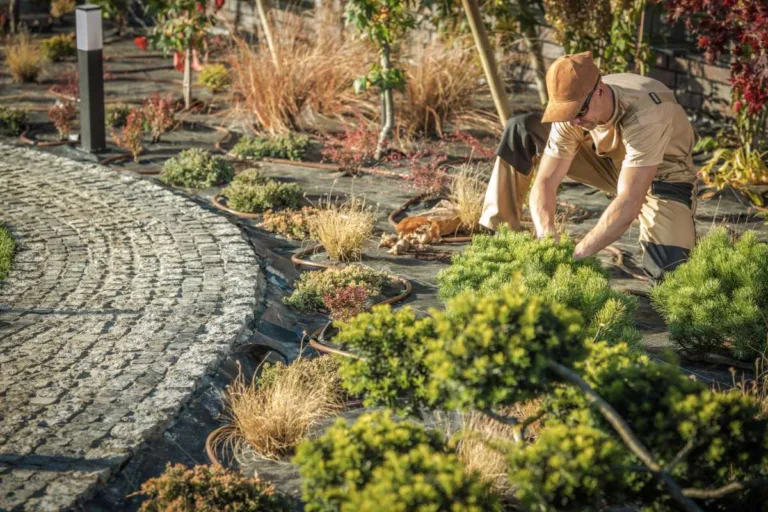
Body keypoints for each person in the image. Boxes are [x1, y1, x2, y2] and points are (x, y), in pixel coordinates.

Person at [480, 51, 698, 281]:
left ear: (600, 91)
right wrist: (547, 238)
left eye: (578, 112)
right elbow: (546, 181)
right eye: (566, 113)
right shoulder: (574, 106)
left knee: (669, 270)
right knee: (521, 129)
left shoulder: (646, 115)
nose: (573, 121)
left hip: (662, 176)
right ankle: (500, 240)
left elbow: (630, 201)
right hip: (610, 164)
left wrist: (577, 255)